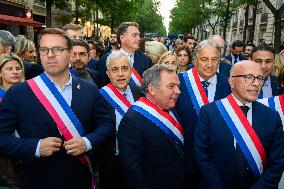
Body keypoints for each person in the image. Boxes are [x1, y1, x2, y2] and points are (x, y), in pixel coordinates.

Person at [0, 28, 115, 189]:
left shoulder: (89, 89)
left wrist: (87, 142)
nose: (50, 54)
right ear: (39, 54)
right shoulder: (18, 93)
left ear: (69, 53)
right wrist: (35, 147)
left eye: (57, 49)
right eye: (44, 50)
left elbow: (107, 124)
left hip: (80, 179)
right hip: (35, 180)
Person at [195, 60, 284, 189]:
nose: (256, 83)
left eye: (260, 78)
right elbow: (202, 156)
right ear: (231, 81)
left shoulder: (271, 117)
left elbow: (277, 162)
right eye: (248, 77)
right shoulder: (209, 113)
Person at [176, 39, 231, 189]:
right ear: (194, 60)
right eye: (204, 59)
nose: (209, 64)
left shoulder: (229, 85)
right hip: (188, 160)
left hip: (218, 160)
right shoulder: (179, 83)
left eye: (214, 59)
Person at [118, 64, 184, 189]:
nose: (178, 91)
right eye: (171, 86)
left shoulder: (171, 107)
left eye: (178, 86)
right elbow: (133, 170)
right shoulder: (132, 121)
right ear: (152, 89)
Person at [98, 51, 143, 189]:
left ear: (131, 71)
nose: (120, 74)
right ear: (108, 73)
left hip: (140, 159)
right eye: (115, 69)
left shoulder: (140, 93)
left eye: (125, 68)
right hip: (113, 162)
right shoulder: (99, 97)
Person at [97, 22, 152, 88]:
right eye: (134, 35)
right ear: (122, 38)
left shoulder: (146, 60)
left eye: (138, 35)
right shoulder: (105, 60)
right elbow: (104, 88)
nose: (139, 38)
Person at [0, 53, 25, 188]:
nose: (15, 72)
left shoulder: (29, 92)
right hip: (5, 158)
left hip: (28, 152)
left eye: (18, 68)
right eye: (9, 69)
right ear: (0, 73)